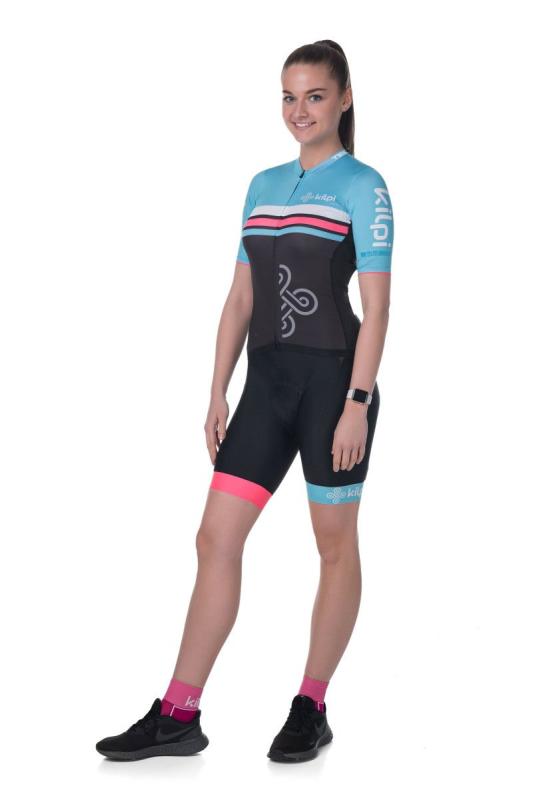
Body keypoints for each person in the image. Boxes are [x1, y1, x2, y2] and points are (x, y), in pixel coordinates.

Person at [95, 38, 394, 764]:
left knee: (333, 547)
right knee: (214, 539)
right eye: (289, 97)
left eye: (314, 96)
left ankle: (310, 706)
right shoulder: (262, 185)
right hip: (265, 387)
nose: (300, 110)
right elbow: (239, 299)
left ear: (344, 99)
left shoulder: (364, 186)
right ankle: (178, 714)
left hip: (332, 387)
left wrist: (357, 401)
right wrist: (216, 391)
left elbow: (378, 306)